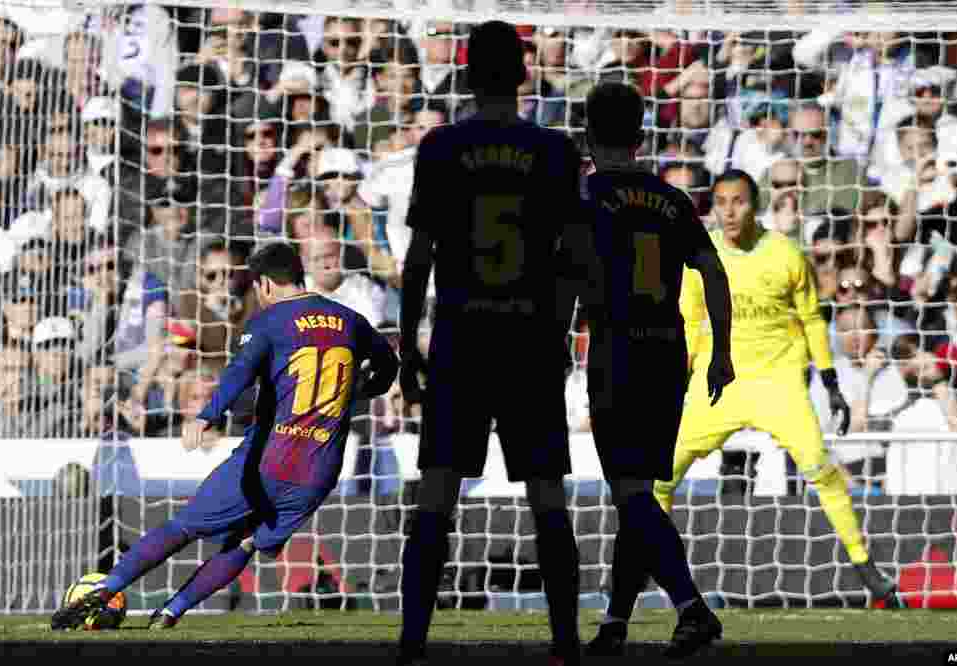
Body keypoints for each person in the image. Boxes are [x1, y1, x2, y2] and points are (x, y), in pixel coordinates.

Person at [50, 241, 399, 630]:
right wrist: (363, 391)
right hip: (320, 469)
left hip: (271, 456)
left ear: (265, 284)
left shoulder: (271, 321)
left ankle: (102, 590)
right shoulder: (349, 319)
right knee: (246, 542)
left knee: (183, 527)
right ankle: (170, 612)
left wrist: (206, 416)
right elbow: (389, 364)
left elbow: (239, 372)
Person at [396, 20, 584, 665]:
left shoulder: (441, 147)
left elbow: (420, 256)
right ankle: (566, 643)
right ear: (523, 74)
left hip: (462, 337)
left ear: (470, 74)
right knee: (547, 496)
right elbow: (572, 258)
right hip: (529, 338)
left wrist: (406, 349)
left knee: (437, 494)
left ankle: (412, 642)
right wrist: (558, 334)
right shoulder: (556, 151)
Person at [653, 169, 903, 609]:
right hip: (719, 385)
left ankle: (866, 569)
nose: (729, 212)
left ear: (756, 205)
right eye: (721, 202)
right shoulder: (698, 255)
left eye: (739, 201)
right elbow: (691, 322)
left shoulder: (786, 255)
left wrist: (830, 382)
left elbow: (810, 318)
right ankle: (658, 569)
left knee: (821, 469)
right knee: (660, 477)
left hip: (778, 386)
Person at [577, 81, 735, 659]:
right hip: (668, 354)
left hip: (617, 353)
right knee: (638, 494)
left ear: (590, 137)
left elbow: (564, 275)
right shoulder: (672, 200)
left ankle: (693, 608)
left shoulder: (585, 196)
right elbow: (713, 271)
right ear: (641, 138)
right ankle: (617, 621)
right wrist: (722, 350)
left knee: (632, 496)